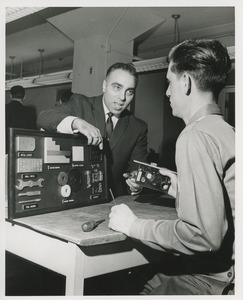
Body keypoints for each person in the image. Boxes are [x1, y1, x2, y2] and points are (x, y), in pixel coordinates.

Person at [108, 39, 235, 295]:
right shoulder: (227, 131)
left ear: (186, 82)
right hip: (226, 271)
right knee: (150, 282)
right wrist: (178, 186)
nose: (167, 92)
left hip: (215, 279)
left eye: (170, 82)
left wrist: (133, 226)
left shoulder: (195, 135)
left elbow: (204, 236)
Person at [37, 62, 148, 196]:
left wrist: (137, 184)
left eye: (129, 92)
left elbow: (138, 169)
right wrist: (77, 122)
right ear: (104, 85)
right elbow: (44, 117)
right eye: (117, 87)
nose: (122, 97)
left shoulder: (138, 127)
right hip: (77, 195)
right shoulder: (80, 104)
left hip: (116, 200)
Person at [6, 85, 37, 152]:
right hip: (22, 147)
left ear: (10, 96)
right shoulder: (30, 111)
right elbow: (33, 131)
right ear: (25, 97)